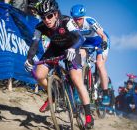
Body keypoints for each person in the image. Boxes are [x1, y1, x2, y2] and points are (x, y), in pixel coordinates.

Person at [24, 0, 94, 128]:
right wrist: (29, 59)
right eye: (43, 17)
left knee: (76, 79)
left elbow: (81, 38)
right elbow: (34, 44)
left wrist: (73, 49)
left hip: (72, 47)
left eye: (49, 16)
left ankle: (89, 116)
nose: (47, 20)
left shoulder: (66, 21)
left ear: (56, 14)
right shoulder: (40, 27)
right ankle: (55, 94)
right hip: (55, 49)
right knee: (38, 75)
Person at [70, 4, 110, 105]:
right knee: (80, 60)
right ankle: (78, 89)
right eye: (75, 19)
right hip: (86, 43)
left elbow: (103, 35)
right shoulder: (71, 24)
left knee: (100, 64)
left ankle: (106, 93)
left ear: (83, 17)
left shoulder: (90, 21)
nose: (77, 21)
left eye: (79, 19)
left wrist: (104, 42)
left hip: (99, 41)